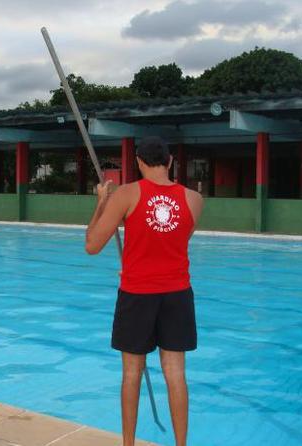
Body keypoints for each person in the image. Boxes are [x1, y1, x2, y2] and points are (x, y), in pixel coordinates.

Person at [85, 136, 203, 446]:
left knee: (132, 373)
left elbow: (92, 245)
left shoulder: (125, 194)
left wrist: (101, 203)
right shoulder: (194, 199)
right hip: (178, 294)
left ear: (138, 162)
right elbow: (177, 242)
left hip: (137, 293)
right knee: (176, 372)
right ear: (170, 162)